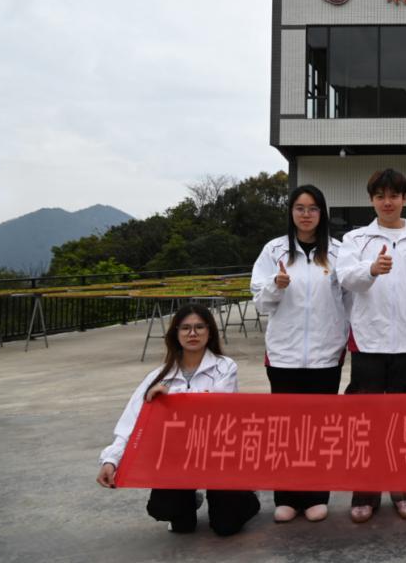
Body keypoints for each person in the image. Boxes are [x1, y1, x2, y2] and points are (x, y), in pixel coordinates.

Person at [96, 304, 260, 536]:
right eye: (185, 328)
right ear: (176, 334)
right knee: (168, 513)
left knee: (226, 527)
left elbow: (215, 404)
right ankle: (190, 500)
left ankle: (245, 495)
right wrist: (111, 460)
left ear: (209, 332)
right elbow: (131, 423)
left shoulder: (225, 367)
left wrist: (169, 398)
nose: (192, 333)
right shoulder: (158, 376)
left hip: (218, 457)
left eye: (199, 327)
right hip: (177, 461)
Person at [336, 167, 406, 523]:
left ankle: (404, 490)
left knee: (405, 422)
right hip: (368, 342)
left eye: (394, 196)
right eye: (380, 196)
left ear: (404, 199)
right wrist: (371, 270)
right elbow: (346, 279)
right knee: (365, 423)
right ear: (372, 200)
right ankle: (365, 493)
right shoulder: (356, 239)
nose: (387, 202)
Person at [250, 184, 347, 523]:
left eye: (313, 208)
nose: (306, 215)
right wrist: (275, 286)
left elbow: (351, 299)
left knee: (320, 429)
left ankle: (317, 495)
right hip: (284, 355)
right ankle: (287, 497)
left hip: (325, 355)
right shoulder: (274, 250)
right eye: (300, 208)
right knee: (285, 430)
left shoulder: (338, 252)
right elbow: (259, 301)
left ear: (322, 214)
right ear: (291, 212)